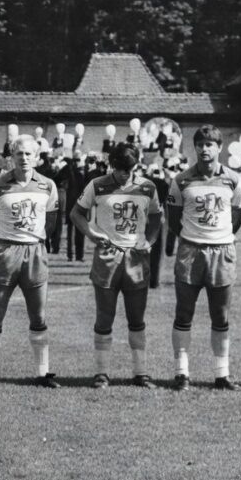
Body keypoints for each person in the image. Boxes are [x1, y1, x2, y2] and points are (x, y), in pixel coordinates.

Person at [69, 142, 163, 389]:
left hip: (136, 259)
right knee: (105, 316)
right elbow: (76, 213)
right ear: (112, 165)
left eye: (130, 169)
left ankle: (140, 372)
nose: (125, 174)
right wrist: (91, 234)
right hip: (107, 257)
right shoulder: (97, 185)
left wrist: (150, 241)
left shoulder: (147, 187)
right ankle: (101, 373)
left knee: (136, 317)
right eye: (120, 169)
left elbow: (157, 217)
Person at [0, 135, 60, 389]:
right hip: (6, 252)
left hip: (34, 252)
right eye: (19, 154)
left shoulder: (48, 186)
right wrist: (6, 243)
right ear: (11, 156)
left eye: (28, 154)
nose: (23, 158)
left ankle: (43, 373)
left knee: (38, 314)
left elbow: (50, 224)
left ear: (37, 157)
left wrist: (34, 241)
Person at [166, 125, 241, 391]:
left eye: (210, 144)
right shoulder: (181, 180)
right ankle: (181, 373)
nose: (204, 149)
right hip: (191, 251)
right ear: (194, 148)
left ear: (219, 148)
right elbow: (174, 220)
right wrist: (196, 237)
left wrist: (217, 237)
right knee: (184, 313)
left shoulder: (233, 180)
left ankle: (222, 375)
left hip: (222, 251)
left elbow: (236, 218)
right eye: (200, 144)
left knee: (220, 315)